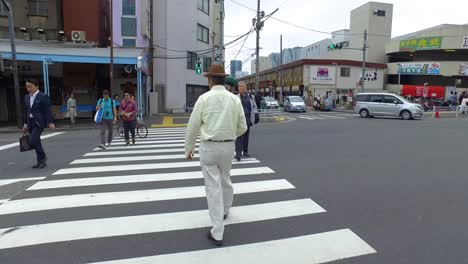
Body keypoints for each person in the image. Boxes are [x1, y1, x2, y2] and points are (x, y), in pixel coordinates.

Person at [185, 64, 247, 247]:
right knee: (226, 178)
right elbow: (243, 126)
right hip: (228, 147)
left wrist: (189, 148)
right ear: (224, 79)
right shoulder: (234, 100)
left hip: (208, 147)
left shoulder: (204, 98)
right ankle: (226, 209)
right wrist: (229, 135)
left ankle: (217, 232)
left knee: (213, 187)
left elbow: (193, 126)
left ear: (210, 79)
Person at [23, 79, 55, 169]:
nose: (28, 88)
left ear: (36, 87)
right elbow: (26, 111)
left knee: (33, 140)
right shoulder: (26, 97)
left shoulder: (43, 96)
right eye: (27, 86)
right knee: (36, 141)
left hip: (39, 122)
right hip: (30, 122)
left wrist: (50, 122)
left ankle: (43, 157)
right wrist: (25, 124)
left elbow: (48, 111)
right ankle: (40, 161)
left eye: (30, 86)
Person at [235, 81, 258, 161]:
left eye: (244, 86)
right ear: (238, 88)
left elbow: (254, 106)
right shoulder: (235, 97)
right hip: (239, 120)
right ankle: (238, 153)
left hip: (248, 119)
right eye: (240, 86)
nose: (242, 88)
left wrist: (255, 113)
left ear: (246, 87)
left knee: (246, 137)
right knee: (238, 136)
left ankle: (245, 151)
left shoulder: (251, 97)